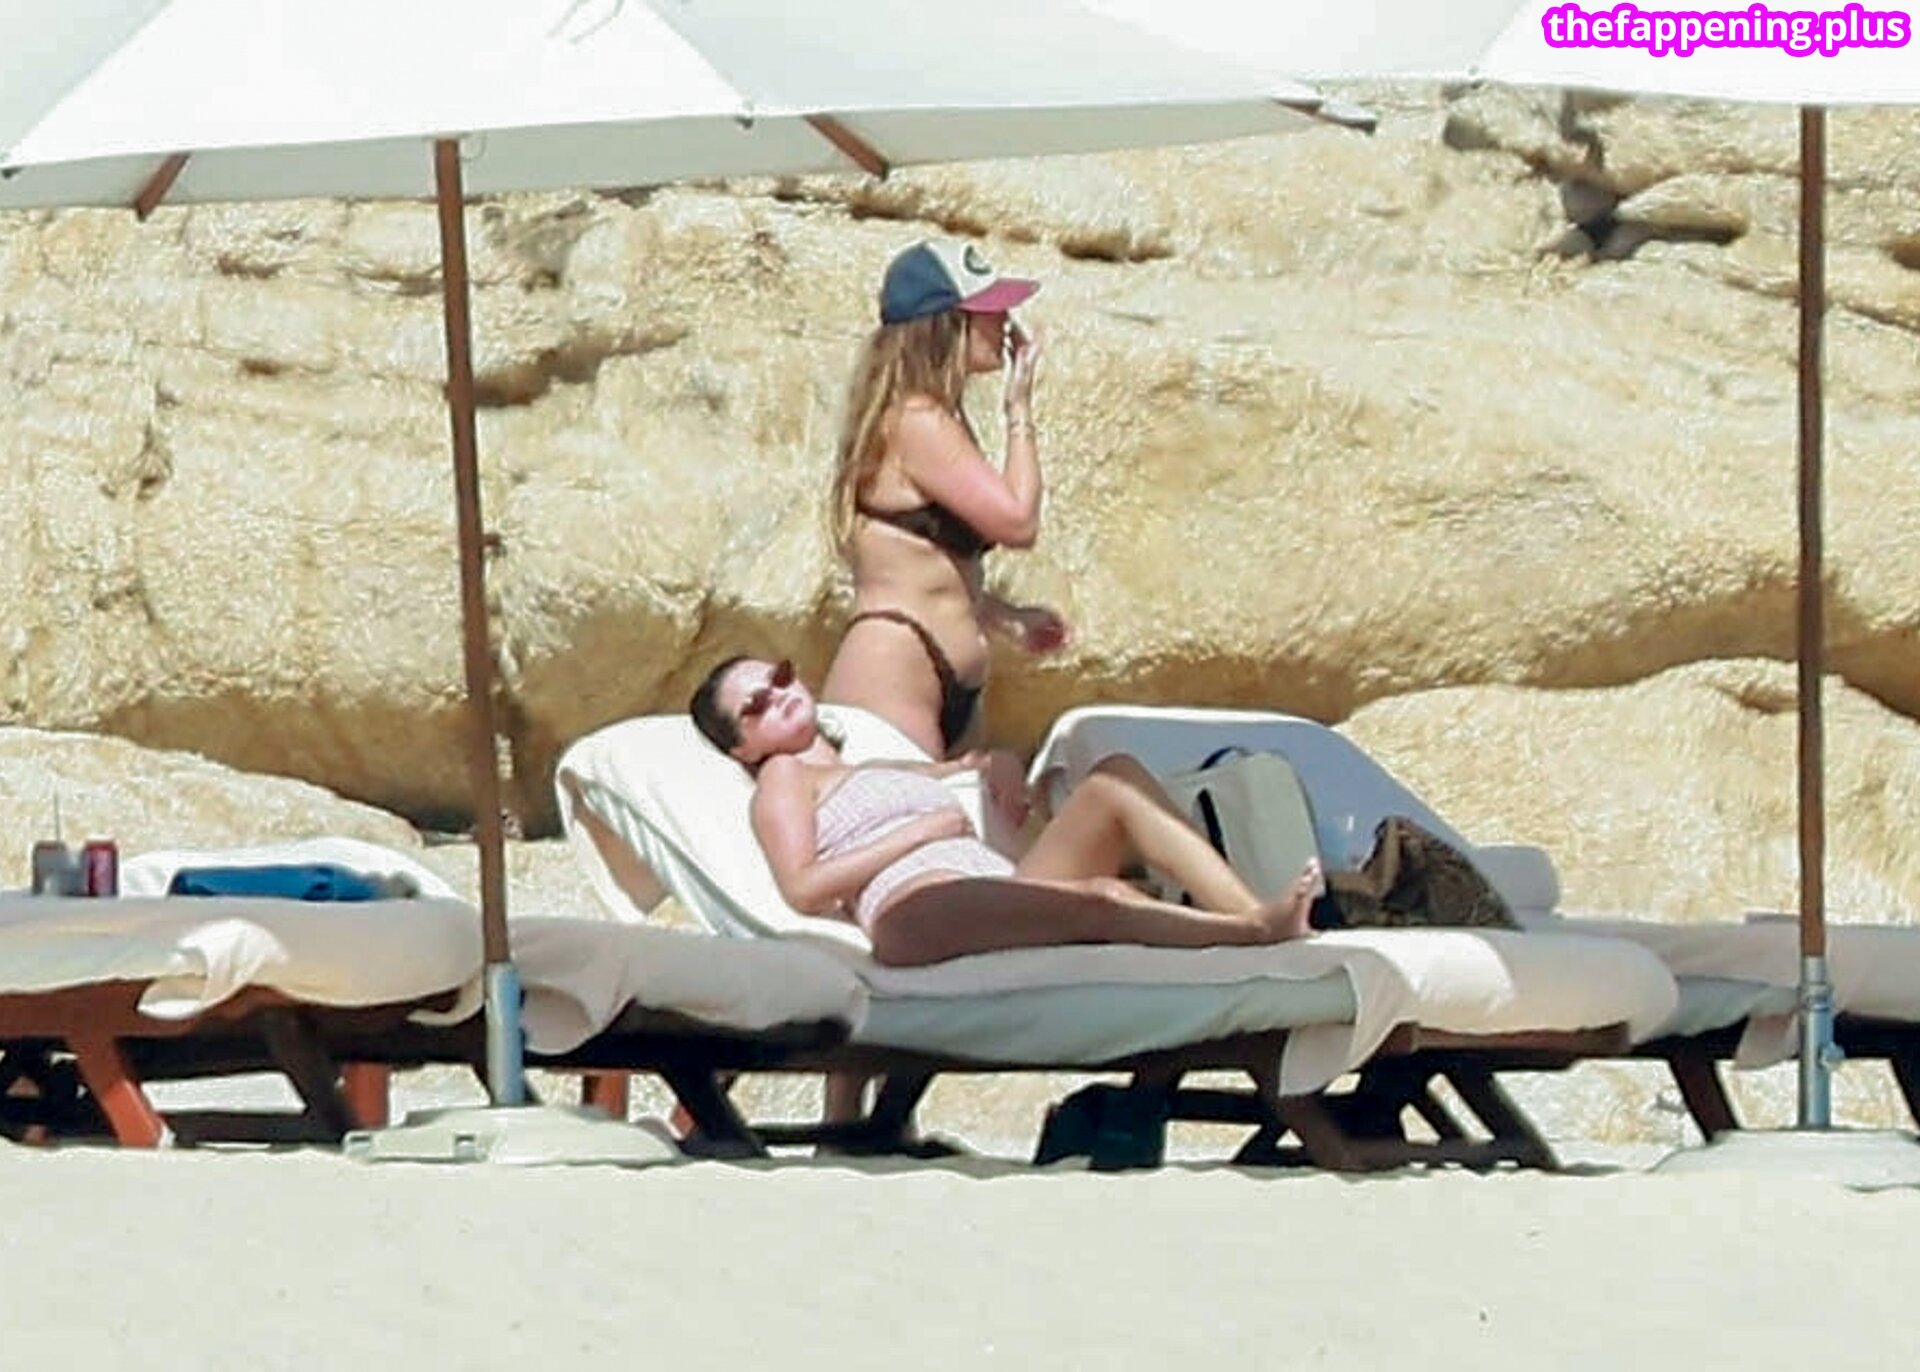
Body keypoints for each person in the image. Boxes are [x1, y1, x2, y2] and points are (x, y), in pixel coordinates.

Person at [691, 656, 1321, 967]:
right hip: (913, 909)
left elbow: (967, 767)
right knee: (1101, 897)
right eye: (756, 705)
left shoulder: (872, 769)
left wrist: (999, 765)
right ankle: (1253, 935)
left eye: (780, 677)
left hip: (989, 885)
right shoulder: (783, 779)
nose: (778, 695)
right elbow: (803, 889)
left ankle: (1254, 914)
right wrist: (923, 831)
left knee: (1115, 780)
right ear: (743, 747)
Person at [820, 238, 1070, 778]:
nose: (1005, 322)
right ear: (947, 325)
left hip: (939, 673)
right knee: (918, 823)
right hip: (896, 667)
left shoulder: (934, 416)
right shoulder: (916, 421)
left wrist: (1007, 618)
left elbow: (931, 565)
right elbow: (1018, 521)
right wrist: (1019, 409)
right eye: (988, 311)